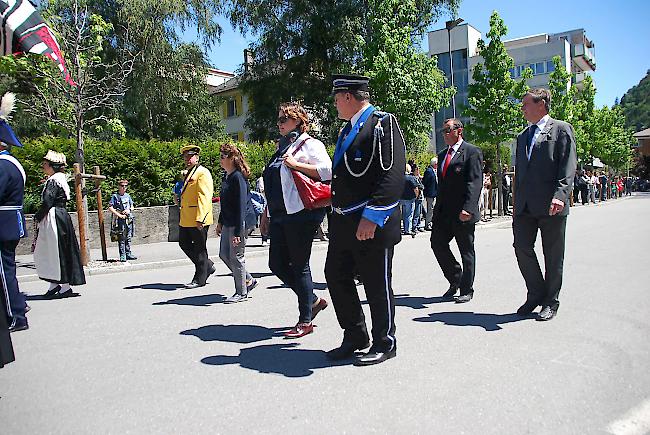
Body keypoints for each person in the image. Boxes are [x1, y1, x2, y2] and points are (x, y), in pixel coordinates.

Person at [325, 74, 405, 366]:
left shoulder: (383, 123)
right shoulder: (346, 130)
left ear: (348, 96)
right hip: (344, 221)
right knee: (335, 275)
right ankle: (356, 335)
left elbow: (392, 175)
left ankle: (385, 341)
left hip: (370, 221)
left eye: (336, 99)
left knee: (376, 283)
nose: (335, 104)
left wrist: (373, 216)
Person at [259, 101, 331, 339]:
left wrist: (297, 165)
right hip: (280, 214)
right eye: (278, 119)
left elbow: (328, 171)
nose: (278, 123)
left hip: (301, 213)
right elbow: (275, 183)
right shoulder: (282, 147)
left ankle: (305, 320)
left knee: (300, 265)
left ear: (299, 122)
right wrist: (266, 213)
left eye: (284, 119)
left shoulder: (310, 145)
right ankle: (312, 300)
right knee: (276, 264)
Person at [513, 88, 577, 321]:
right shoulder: (522, 136)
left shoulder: (561, 129)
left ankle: (551, 301)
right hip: (525, 206)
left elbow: (567, 166)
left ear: (541, 105)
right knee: (521, 247)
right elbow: (520, 172)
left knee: (553, 254)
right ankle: (536, 292)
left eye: (526, 104)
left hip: (552, 204)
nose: (522, 109)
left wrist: (560, 195)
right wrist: (515, 201)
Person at [430, 118, 483, 304]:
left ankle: (467, 288)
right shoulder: (443, 155)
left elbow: (474, 182)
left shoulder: (471, 152)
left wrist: (468, 208)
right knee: (437, 243)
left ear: (459, 131)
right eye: (442, 131)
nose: (444, 134)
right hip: (444, 212)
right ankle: (455, 278)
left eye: (447, 130)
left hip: (462, 212)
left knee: (466, 250)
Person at [33, 150, 86, 298]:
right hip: (60, 216)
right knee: (57, 251)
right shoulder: (59, 178)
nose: (43, 166)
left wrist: (38, 216)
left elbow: (47, 202)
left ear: (52, 166)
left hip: (54, 217)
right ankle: (56, 284)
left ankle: (62, 286)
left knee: (55, 251)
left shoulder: (53, 181)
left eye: (45, 164)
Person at [0, 102, 29, 335]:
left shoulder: (3, 166)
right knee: (7, 270)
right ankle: (17, 306)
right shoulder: (12, 163)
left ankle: (15, 315)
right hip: (9, 223)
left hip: (3, 225)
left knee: (5, 271)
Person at [216, 143, 257, 303]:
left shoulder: (238, 178)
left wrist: (238, 233)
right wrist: (220, 222)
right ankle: (248, 280)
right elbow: (225, 203)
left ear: (232, 158)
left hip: (241, 222)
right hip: (229, 221)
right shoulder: (226, 176)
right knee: (224, 254)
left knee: (236, 256)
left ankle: (241, 292)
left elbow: (240, 206)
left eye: (222, 157)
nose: (220, 160)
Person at [178, 144, 215, 289]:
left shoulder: (202, 173)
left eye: (190, 156)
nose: (187, 159)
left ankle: (200, 278)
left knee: (200, 249)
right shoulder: (189, 173)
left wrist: (201, 218)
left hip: (197, 218)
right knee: (184, 244)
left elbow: (204, 196)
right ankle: (208, 266)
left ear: (197, 157)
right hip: (186, 218)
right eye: (185, 157)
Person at [108, 179, 137, 262]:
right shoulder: (115, 196)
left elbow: (132, 206)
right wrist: (119, 215)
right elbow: (110, 207)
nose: (124, 187)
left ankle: (128, 253)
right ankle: (123, 255)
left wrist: (129, 210)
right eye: (122, 186)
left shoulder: (128, 196)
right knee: (121, 237)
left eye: (125, 186)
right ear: (119, 187)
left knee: (128, 237)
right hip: (120, 220)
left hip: (128, 219)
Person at [400, 163, 418, 236]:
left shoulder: (399, 177)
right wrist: (416, 196)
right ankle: (408, 229)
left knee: (403, 215)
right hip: (410, 199)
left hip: (401, 198)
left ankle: (404, 228)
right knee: (409, 215)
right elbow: (416, 189)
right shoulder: (411, 178)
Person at [422, 157, 438, 230]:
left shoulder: (435, 171)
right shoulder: (429, 171)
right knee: (430, 209)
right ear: (435, 164)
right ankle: (427, 224)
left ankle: (432, 222)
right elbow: (425, 182)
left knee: (434, 209)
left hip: (435, 193)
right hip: (430, 193)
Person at [412, 166, 425, 232]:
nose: (418, 172)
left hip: (420, 198)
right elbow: (420, 186)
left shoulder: (418, 178)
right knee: (416, 213)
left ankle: (418, 225)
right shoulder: (414, 178)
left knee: (419, 212)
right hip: (418, 197)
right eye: (417, 170)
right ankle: (415, 226)